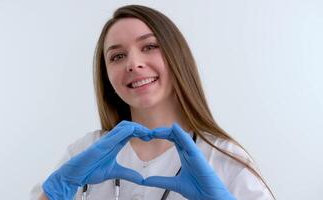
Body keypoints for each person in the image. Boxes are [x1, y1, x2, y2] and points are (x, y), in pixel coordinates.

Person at [30, 4, 275, 200]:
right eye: (117, 56)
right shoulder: (84, 151)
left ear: (177, 57)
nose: (133, 63)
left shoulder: (224, 159)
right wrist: (53, 194)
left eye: (149, 46)